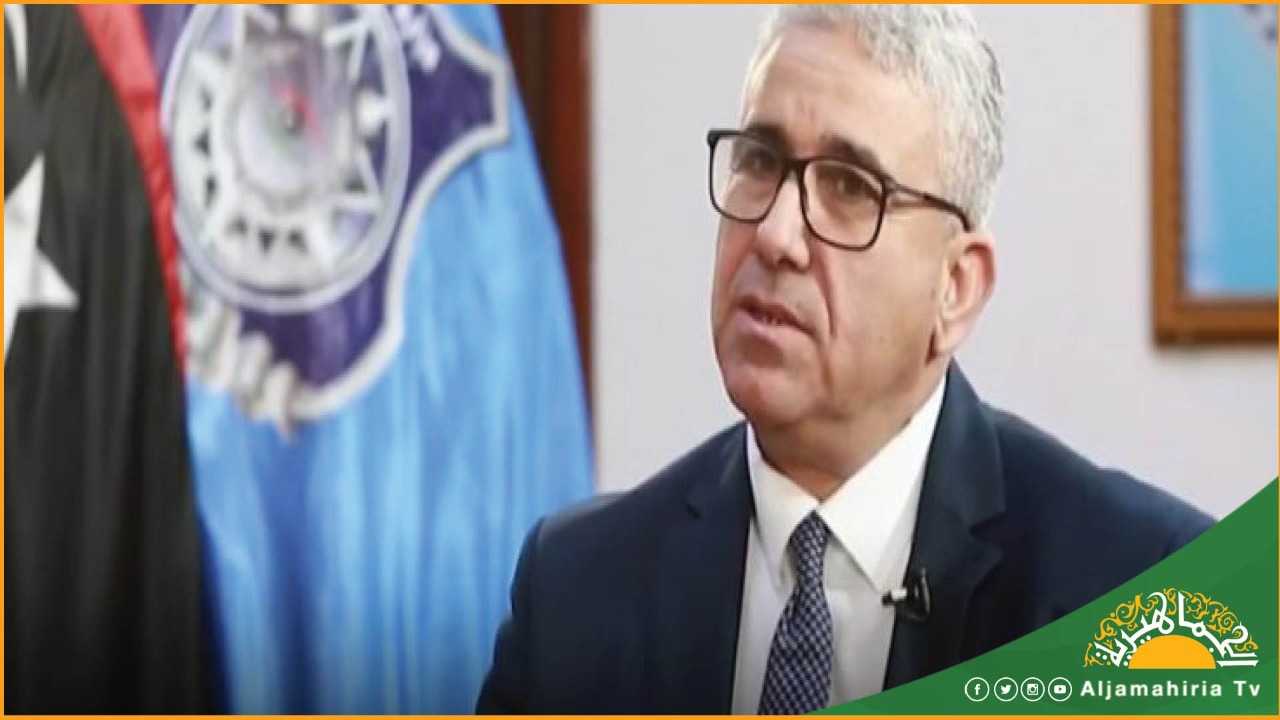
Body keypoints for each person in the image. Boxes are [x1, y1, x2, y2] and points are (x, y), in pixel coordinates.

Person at [477, 5, 1213, 714]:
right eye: (759, 160)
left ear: (955, 288)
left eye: (849, 186)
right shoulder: (574, 592)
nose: (776, 235)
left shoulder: (1142, 598)